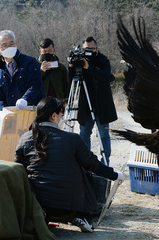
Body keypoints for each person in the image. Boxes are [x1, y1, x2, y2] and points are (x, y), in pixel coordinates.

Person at [15, 97, 125, 233]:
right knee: (84, 170)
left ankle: (42, 216)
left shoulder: (25, 138)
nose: (63, 119)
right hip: (70, 205)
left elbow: (18, 170)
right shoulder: (72, 139)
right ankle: (80, 216)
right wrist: (115, 175)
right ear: (54, 116)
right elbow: (94, 165)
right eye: (61, 115)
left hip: (39, 204)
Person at [68, 36, 117, 166]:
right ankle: (86, 162)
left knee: (103, 135)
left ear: (97, 48)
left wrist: (88, 67)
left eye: (92, 48)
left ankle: (105, 163)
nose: (89, 51)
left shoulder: (103, 60)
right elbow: (71, 81)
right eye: (86, 49)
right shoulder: (79, 60)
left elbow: (105, 76)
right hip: (85, 105)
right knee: (84, 134)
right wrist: (71, 66)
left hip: (102, 104)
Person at [0, 30, 45, 111]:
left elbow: (36, 85)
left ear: (16, 44)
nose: (9, 47)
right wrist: (3, 110)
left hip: (33, 110)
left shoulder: (30, 62)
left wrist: (25, 99)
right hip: (11, 114)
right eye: (4, 45)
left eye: (11, 43)